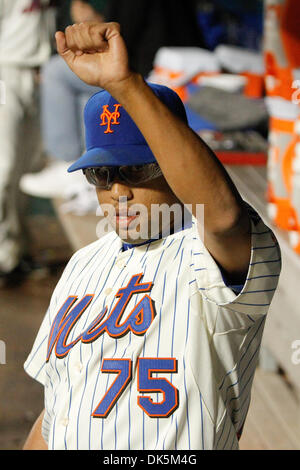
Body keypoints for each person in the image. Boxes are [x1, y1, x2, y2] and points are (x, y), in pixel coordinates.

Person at [23, 22, 281, 450]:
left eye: (137, 170)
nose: (118, 191)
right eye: (101, 174)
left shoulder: (207, 254)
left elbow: (221, 215)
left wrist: (126, 85)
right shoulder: (82, 265)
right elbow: (56, 411)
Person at [19, 0, 107, 199]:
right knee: (83, 94)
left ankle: (67, 163)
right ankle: (87, 170)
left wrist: (96, 21)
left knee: (55, 71)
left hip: (148, 64)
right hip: (116, 61)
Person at [0, 0, 56, 286]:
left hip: (39, 74)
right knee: (4, 168)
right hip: (4, 74)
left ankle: (15, 252)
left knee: (28, 168)